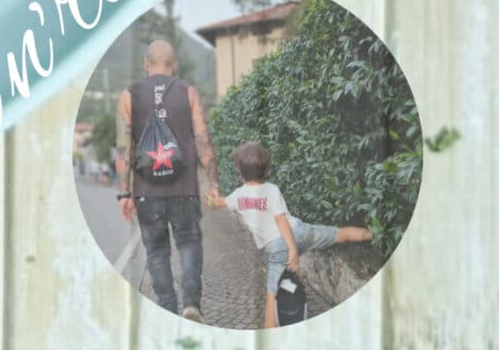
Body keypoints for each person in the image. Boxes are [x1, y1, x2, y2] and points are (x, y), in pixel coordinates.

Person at [117, 40, 225, 321]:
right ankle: (191, 304)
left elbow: (123, 149)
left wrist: (124, 193)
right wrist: (214, 185)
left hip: (146, 193)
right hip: (185, 189)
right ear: (173, 64)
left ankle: (167, 309)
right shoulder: (187, 92)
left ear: (146, 63)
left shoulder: (129, 96)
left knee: (156, 252)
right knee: (189, 243)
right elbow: (203, 141)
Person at [228, 140, 374, 328]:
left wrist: (293, 253)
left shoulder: (238, 195)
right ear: (265, 168)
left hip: (282, 247)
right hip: (301, 231)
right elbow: (282, 219)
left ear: (240, 172)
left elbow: (279, 222)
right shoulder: (272, 190)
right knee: (340, 233)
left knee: (272, 297)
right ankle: (376, 234)